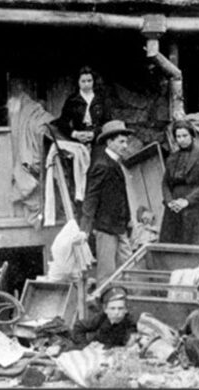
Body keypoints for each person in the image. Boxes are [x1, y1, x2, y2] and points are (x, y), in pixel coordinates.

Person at [81, 120, 134, 285]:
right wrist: (85, 228)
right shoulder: (101, 165)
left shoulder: (115, 163)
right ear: (109, 142)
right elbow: (91, 197)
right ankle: (104, 305)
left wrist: (128, 218)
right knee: (107, 272)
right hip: (106, 227)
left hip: (119, 226)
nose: (125, 146)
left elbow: (120, 196)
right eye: (121, 142)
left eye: (126, 141)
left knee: (128, 267)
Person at [160, 120, 199, 245]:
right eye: (178, 136)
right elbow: (165, 183)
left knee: (190, 243)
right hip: (173, 207)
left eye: (185, 136)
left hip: (192, 206)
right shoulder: (172, 158)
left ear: (192, 136)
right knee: (169, 243)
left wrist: (186, 201)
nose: (181, 140)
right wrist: (169, 201)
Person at [52, 66, 109, 148]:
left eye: (89, 81)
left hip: (98, 138)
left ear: (93, 81)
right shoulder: (72, 100)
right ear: (78, 82)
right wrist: (75, 134)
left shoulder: (101, 99)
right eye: (83, 81)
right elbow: (62, 122)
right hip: (79, 139)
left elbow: (107, 121)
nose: (87, 84)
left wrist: (95, 133)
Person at [71, 286, 138, 349]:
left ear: (126, 310)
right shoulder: (101, 318)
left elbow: (130, 344)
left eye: (120, 308)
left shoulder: (130, 324)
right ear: (106, 310)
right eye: (112, 308)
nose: (116, 312)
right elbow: (79, 326)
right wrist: (84, 346)